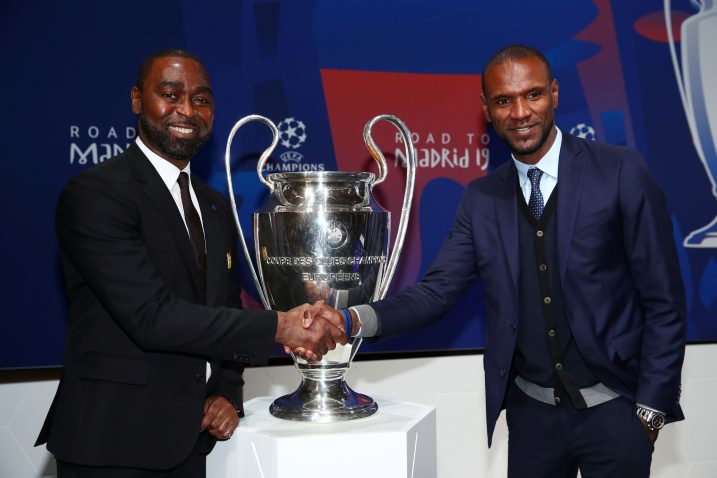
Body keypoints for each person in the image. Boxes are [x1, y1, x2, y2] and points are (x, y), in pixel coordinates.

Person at [304, 45, 687, 477]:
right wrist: (352, 319)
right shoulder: (481, 199)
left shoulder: (620, 171)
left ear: (555, 94)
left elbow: (664, 302)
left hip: (616, 411)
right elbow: (436, 291)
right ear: (487, 109)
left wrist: (650, 411)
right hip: (532, 420)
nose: (521, 112)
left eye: (534, 95)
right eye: (504, 100)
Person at [36, 48, 345, 477]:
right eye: (170, 94)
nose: (187, 109)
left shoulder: (214, 205)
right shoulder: (96, 195)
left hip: (188, 442)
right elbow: (151, 316)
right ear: (137, 101)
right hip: (111, 445)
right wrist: (281, 326)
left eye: (201, 99)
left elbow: (225, 309)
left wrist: (227, 393)